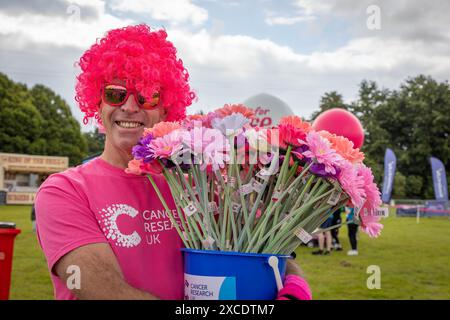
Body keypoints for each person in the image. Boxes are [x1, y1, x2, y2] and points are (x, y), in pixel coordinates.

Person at [35, 24, 310, 300]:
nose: (130, 107)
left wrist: (295, 285)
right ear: (98, 103)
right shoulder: (64, 191)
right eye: (115, 93)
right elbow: (105, 291)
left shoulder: (196, 187)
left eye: (147, 96)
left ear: (166, 106)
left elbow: (267, 253)